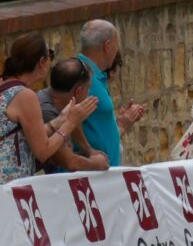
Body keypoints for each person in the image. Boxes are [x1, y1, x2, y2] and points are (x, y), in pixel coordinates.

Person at [0, 33, 97, 183]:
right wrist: (71, 122)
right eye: (50, 54)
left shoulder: (5, 85)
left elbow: (21, 135)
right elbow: (43, 151)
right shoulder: (25, 96)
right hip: (7, 188)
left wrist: (60, 120)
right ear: (42, 62)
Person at [76, 20, 146, 165]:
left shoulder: (95, 74)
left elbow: (95, 126)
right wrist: (89, 151)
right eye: (116, 44)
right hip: (93, 177)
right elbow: (70, 119)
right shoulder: (80, 75)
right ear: (107, 46)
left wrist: (122, 122)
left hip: (106, 175)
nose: (117, 49)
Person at [37, 57, 109, 173]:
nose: (89, 92)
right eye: (88, 88)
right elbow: (69, 162)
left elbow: (74, 120)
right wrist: (96, 163)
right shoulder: (46, 111)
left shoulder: (59, 98)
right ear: (78, 91)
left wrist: (89, 150)